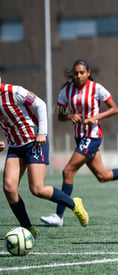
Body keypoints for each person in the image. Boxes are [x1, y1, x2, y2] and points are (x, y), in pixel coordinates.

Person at [40, 59, 118, 227]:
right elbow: (59, 114)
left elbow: (114, 108)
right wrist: (68, 116)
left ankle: (59, 216)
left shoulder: (96, 89)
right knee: (103, 176)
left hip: (93, 137)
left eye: (82, 72)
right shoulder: (66, 91)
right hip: (80, 138)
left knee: (68, 171)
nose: (79, 76)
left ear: (88, 73)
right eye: (76, 73)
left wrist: (95, 118)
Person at [0, 77, 89, 238]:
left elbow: (40, 104)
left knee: (37, 189)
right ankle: (28, 229)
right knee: (9, 188)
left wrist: (42, 132)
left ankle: (74, 204)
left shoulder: (14, 91)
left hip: (35, 141)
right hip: (15, 146)